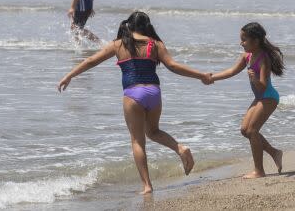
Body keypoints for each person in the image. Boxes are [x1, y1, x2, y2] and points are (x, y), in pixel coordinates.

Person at [57, 11, 210, 195]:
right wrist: (201, 75)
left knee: (138, 141)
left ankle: (147, 185)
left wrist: (69, 75)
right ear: (146, 26)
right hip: (154, 92)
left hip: (133, 94)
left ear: (129, 25)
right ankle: (180, 148)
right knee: (153, 131)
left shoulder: (119, 44)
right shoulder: (155, 44)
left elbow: (91, 61)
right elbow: (174, 66)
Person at [208, 22, 284, 179]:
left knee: (252, 130)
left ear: (255, 41)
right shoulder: (247, 56)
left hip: (269, 97)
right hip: (260, 98)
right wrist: (212, 77)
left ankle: (259, 171)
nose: (241, 43)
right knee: (245, 130)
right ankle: (274, 152)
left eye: (244, 40)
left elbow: (262, 86)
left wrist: (255, 78)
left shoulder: (263, 59)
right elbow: (231, 71)